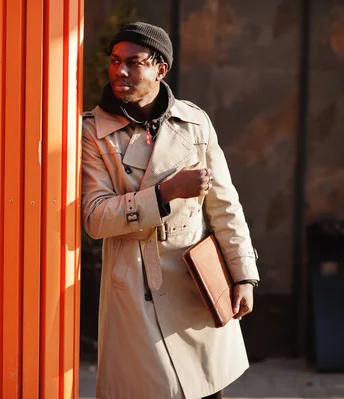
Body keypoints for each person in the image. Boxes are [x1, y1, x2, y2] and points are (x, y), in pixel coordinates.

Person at [81, 22, 260, 399]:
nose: (120, 71)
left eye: (133, 62)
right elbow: (95, 218)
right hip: (133, 283)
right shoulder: (92, 132)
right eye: (115, 61)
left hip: (195, 279)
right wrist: (165, 193)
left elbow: (226, 206)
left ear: (161, 69)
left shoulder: (195, 123)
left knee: (204, 387)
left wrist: (243, 274)